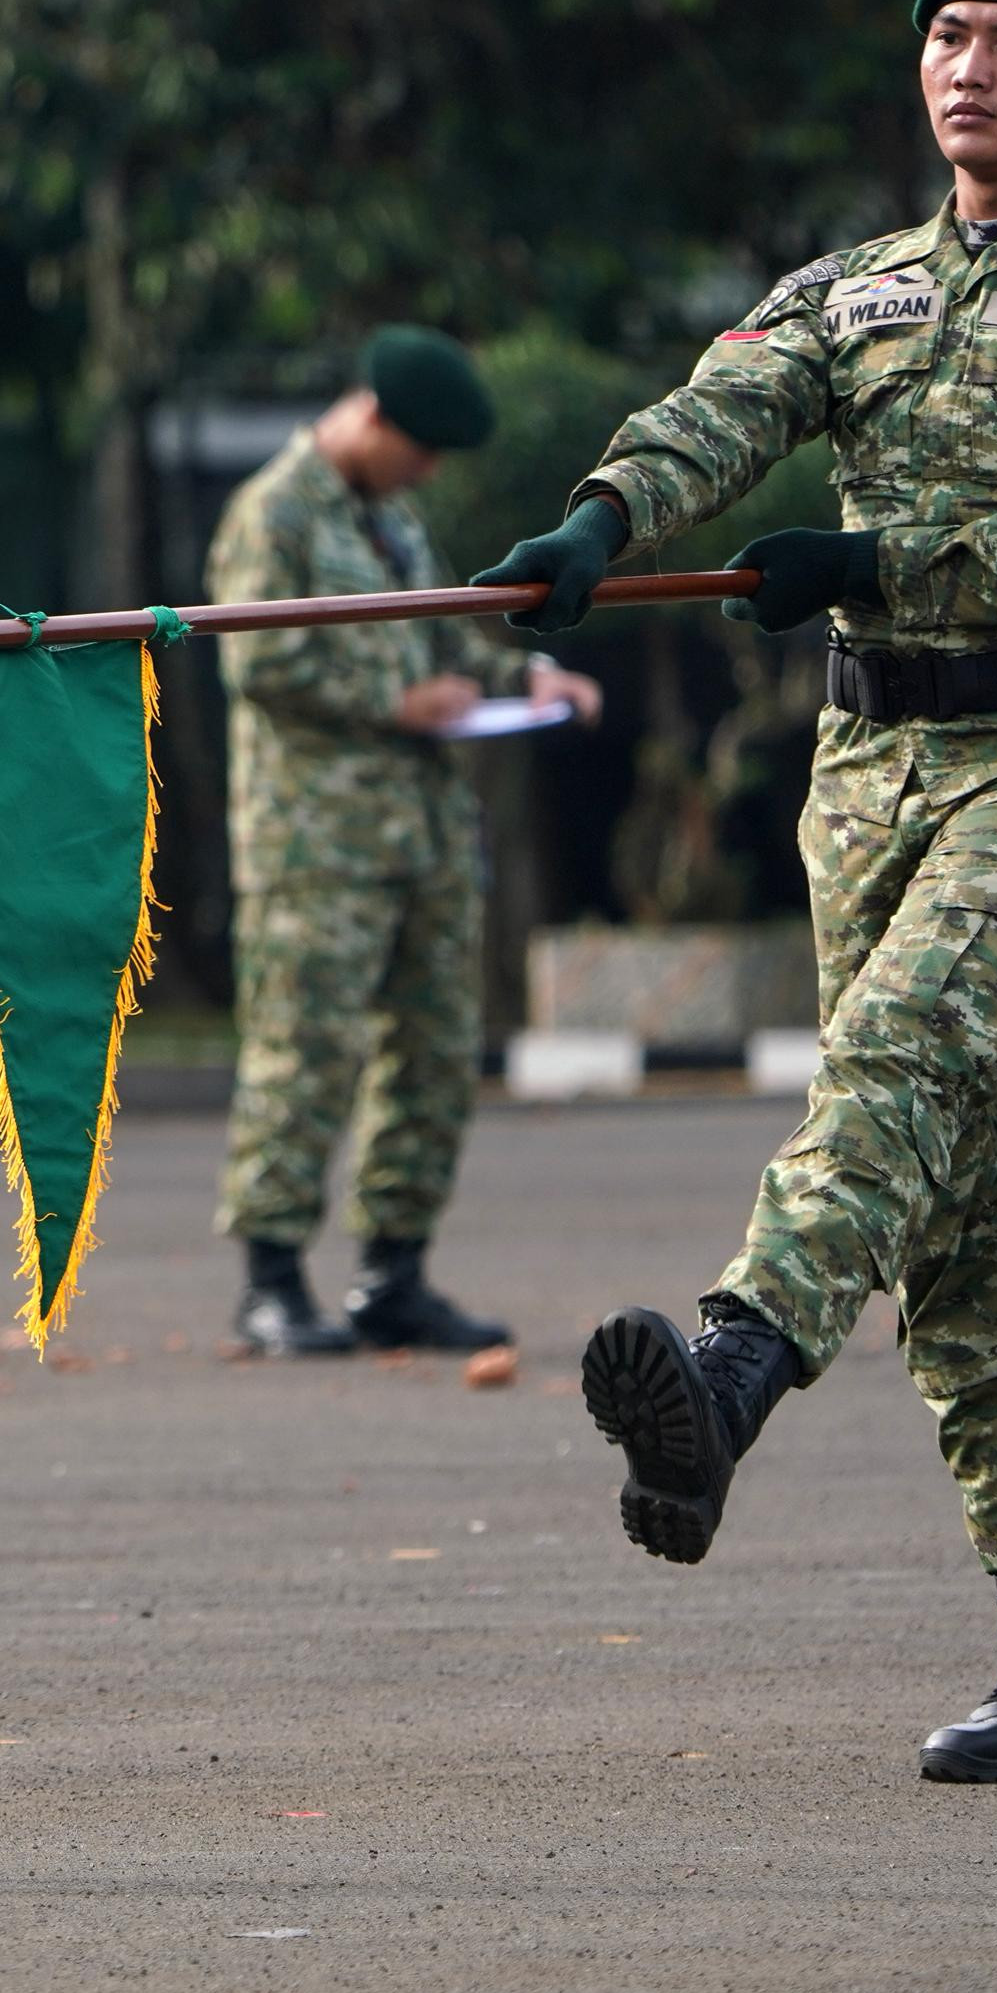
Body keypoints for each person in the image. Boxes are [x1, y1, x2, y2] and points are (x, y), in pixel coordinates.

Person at [475, 0, 997, 1783]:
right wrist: (595, 519)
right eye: (950, 36)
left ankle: (730, 1368)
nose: (971, 67)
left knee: (891, 1059)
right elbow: (718, 411)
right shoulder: (852, 285)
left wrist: (872, 559)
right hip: (870, 767)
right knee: (959, 1229)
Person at [209, 330, 605, 1356]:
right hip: (317, 842)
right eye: (419, 450)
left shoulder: (390, 518)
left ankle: (392, 1271)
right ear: (372, 418)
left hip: (423, 834)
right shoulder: (273, 512)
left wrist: (527, 681)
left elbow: (442, 637)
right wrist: (392, 703)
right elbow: (256, 660)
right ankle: (271, 1280)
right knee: (303, 1053)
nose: (426, 472)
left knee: (430, 1055)